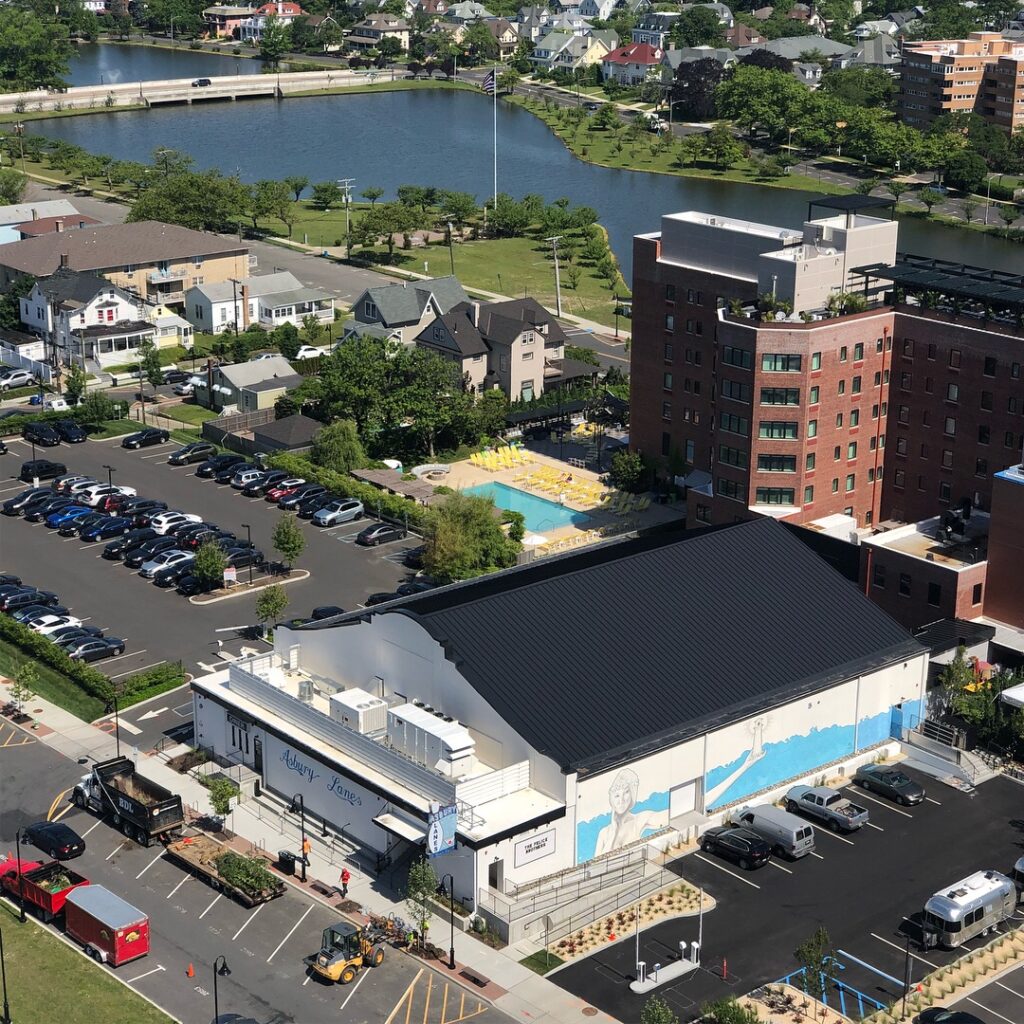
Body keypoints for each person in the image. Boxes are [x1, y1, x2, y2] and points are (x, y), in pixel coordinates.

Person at [593, 768, 669, 857]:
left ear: (632, 794)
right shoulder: (604, 832)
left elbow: (666, 816)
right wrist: (614, 832)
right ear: (611, 798)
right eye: (617, 795)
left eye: (626, 792)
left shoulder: (639, 819)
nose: (621, 800)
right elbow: (597, 863)